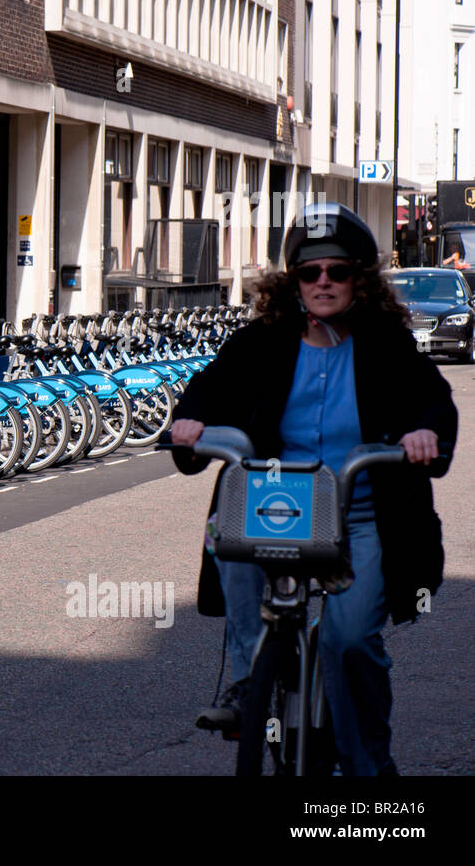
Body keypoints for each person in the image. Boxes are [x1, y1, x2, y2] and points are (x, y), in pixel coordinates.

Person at [169, 202, 457, 776]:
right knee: (232, 519)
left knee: (348, 642)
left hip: (362, 516)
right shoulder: (263, 341)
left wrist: (424, 431)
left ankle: (369, 767)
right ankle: (249, 683)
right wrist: (191, 421)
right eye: (309, 272)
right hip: (277, 509)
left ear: (359, 279)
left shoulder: (386, 343)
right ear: (293, 282)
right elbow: (209, 387)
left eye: (338, 271)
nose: (323, 282)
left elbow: (432, 398)